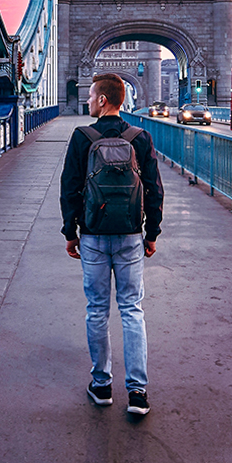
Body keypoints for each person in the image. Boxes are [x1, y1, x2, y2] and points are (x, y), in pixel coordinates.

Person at [61, 72, 164, 415]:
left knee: (97, 310)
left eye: (90, 96)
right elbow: (154, 189)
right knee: (132, 310)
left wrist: (69, 232)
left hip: (92, 235)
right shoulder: (140, 137)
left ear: (103, 100)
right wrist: (152, 234)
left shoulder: (81, 137)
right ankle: (137, 393)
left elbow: (69, 189)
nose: (88, 101)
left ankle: (102, 385)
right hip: (131, 236)